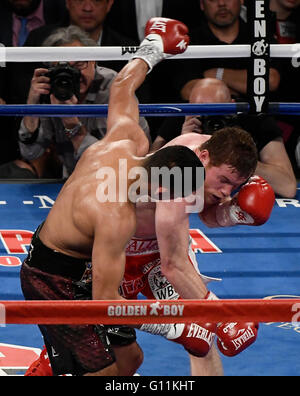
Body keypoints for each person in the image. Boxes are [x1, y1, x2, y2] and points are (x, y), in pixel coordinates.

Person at [24, 18, 275, 376]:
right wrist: (181, 324)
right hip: (53, 274)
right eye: (184, 198)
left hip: (83, 258)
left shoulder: (128, 140)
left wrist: (154, 46)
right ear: (163, 188)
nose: (187, 205)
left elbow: (123, 86)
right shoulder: (117, 215)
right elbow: (106, 302)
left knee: (132, 360)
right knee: (104, 371)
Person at [17, 25, 150, 178]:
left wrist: (73, 127)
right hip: (71, 182)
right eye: (63, 67)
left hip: (116, 180)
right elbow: (31, 153)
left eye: (80, 64)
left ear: (94, 61)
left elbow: (119, 163)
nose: (74, 74)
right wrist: (32, 105)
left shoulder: (115, 88)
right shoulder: (52, 89)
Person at [152, 78, 297, 198]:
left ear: (232, 105)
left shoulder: (254, 118)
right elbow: (149, 172)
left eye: (217, 113)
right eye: (203, 114)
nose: (210, 120)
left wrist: (237, 156)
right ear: (190, 105)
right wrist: (184, 149)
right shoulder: (185, 115)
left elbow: (287, 186)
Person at [173, 0, 281, 101]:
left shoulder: (260, 35)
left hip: (255, 115)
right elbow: (187, 90)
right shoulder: (188, 41)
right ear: (202, 4)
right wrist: (232, 93)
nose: (221, 3)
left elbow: (270, 81)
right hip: (205, 117)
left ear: (241, 0)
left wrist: (216, 74)